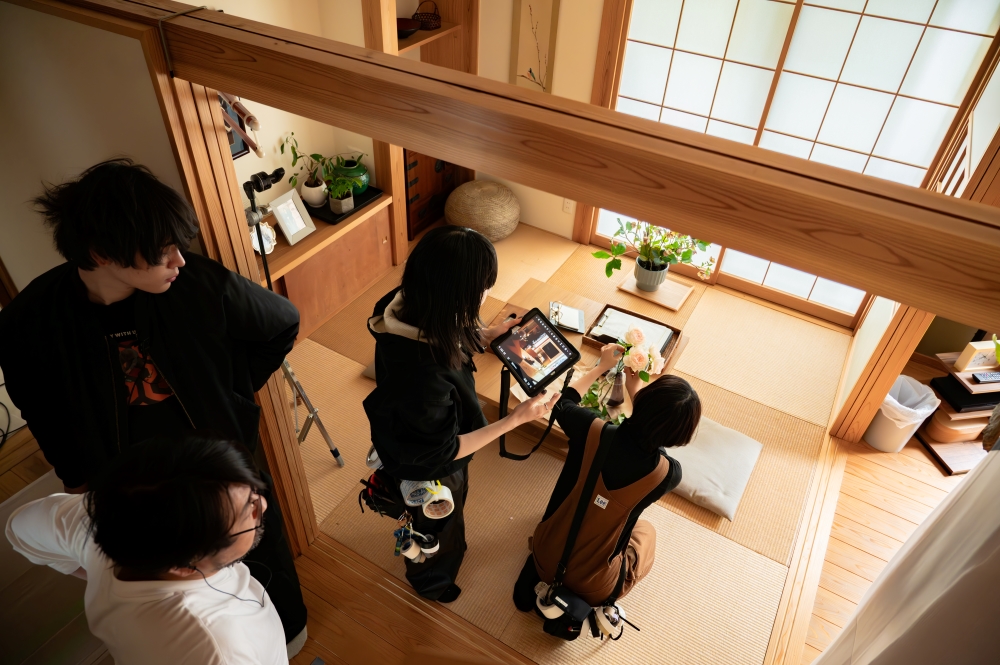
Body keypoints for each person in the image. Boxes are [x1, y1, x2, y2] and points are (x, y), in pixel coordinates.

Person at [0, 159, 308, 651]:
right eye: (163, 253)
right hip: (127, 480)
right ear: (102, 253)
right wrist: (75, 481)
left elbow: (281, 323)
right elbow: (39, 408)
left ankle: (286, 641)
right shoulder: (30, 323)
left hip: (214, 463)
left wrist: (233, 389)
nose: (179, 261)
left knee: (254, 549)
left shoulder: (197, 284)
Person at [363, 225, 559, 602]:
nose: (485, 294)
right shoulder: (426, 377)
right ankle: (432, 581)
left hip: (409, 429)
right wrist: (516, 419)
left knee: (442, 516)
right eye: (481, 287)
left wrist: (482, 336)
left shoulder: (401, 302)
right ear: (457, 294)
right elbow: (444, 451)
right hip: (429, 463)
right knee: (436, 527)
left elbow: (444, 329)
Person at [5, 435, 287, 665]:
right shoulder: (217, 651)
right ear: (183, 565)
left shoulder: (100, 519)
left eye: (253, 491)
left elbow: (19, 528)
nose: (261, 505)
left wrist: (94, 573)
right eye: (248, 510)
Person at [512, 345, 701, 611]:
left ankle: (544, 575)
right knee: (645, 531)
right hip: (595, 586)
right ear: (679, 436)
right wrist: (641, 397)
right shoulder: (667, 474)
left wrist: (601, 366)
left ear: (642, 404)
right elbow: (652, 444)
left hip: (545, 549)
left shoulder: (591, 430)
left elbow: (562, 403)